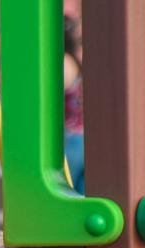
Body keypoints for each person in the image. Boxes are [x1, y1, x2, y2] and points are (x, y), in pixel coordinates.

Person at [63, 14, 85, 193]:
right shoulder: (76, 61)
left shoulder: (63, 63)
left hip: (70, 138)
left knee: (66, 192)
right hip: (82, 137)